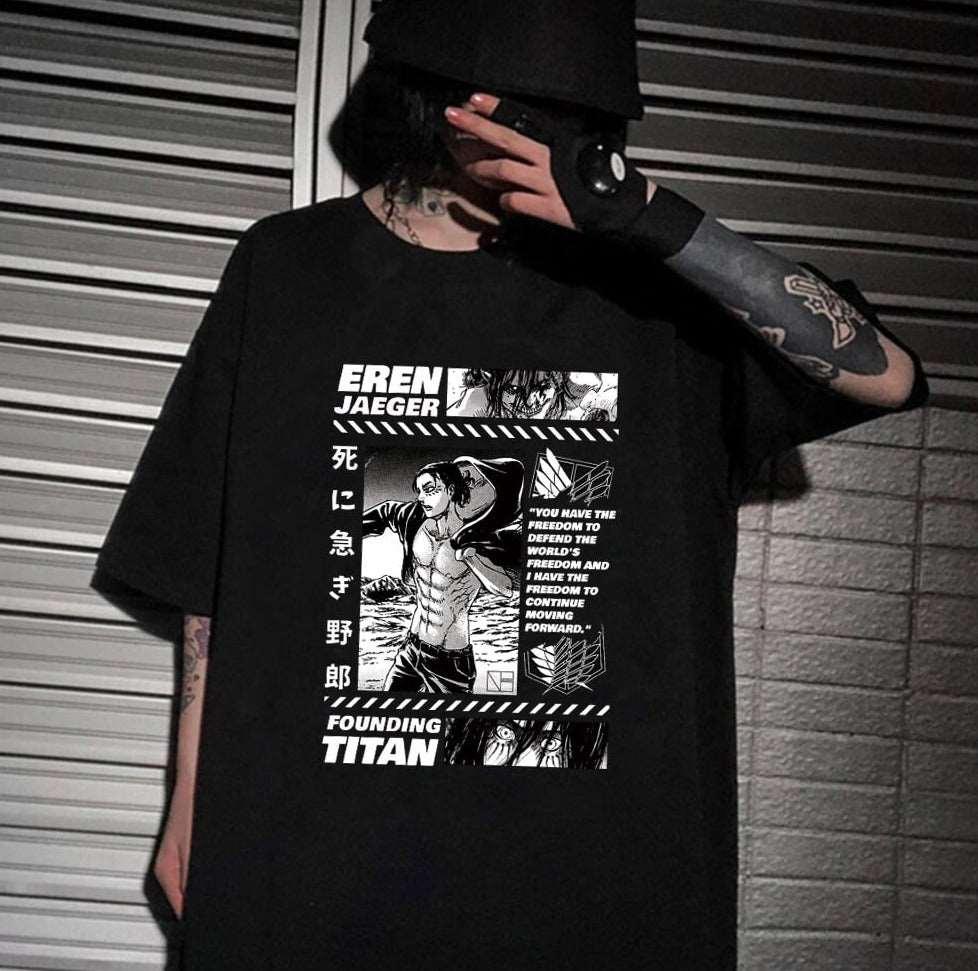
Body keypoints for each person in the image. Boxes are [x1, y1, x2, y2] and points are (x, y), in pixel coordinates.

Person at [90, 1, 930, 967]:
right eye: (508, 99)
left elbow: (886, 374)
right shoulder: (290, 270)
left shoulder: (660, 296)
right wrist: (190, 791)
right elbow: (212, 555)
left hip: (586, 890)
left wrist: (650, 217)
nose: (529, 125)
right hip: (315, 865)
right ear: (437, 94)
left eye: (564, 108)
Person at [361, 454, 523, 692]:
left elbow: (506, 588)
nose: (421, 497)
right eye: (420, 491)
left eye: (430, 490)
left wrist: (472, 559)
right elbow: (386, 512)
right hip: (412, 648)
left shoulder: (481, 539)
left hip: (448, 661)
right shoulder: (416, 519)